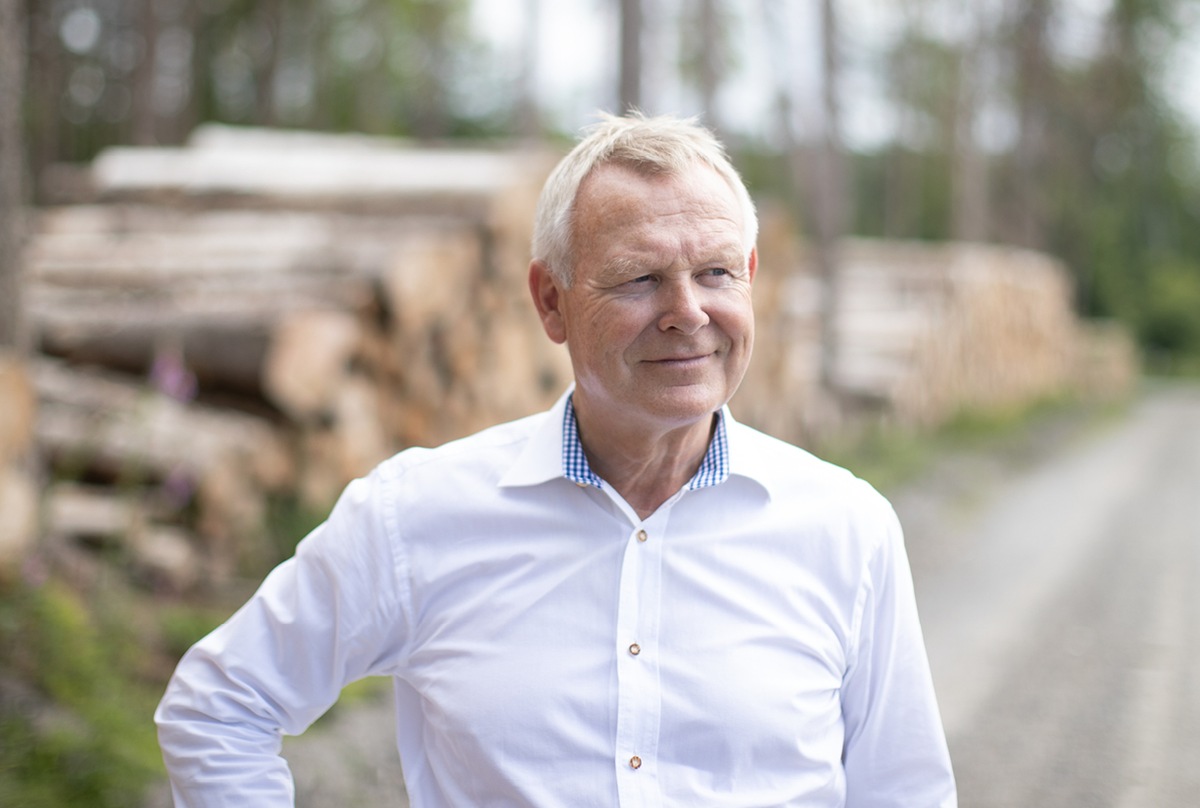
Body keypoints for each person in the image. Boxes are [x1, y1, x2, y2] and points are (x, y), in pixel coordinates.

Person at [156, 112, 957, 807]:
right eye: (639, 278)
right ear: (551, 301)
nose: (687, 313)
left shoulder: (846, 528)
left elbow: (904, 793)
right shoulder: (417, 516)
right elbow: (220, 703)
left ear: (749, 278)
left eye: (715, 273)